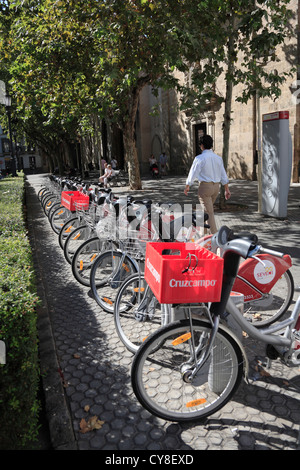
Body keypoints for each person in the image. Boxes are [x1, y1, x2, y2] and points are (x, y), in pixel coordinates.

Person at [184, 135, 231, 234]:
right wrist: (227, 189)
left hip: (205, 188)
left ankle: (215, 237)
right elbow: (223, 175)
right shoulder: (218, 158)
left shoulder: (200, 158)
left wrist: (188, 186)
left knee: (209, 213)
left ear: (201, 145)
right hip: (216, 188)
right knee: (205, 210)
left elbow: (193, 173)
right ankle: (203, 233)